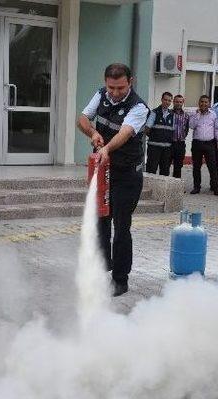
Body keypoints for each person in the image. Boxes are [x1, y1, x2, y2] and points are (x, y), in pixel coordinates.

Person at [77, 63, 149, 297]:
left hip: (127, 174)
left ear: (131, 81)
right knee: (100, 222)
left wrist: (106, 148)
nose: (115, 93)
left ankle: (120, 279)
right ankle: (101, 269)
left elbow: (125, 133)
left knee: (121, 226)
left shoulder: (139, 107)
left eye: (120, 87)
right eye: (111, 87)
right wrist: (93, 133)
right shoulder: (100, 95)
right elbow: (83, 119)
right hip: (104, 171)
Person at [189, 95, 218, 196]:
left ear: (209, 104)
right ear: (199, 103)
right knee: (196, 166)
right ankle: (196, 187)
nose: (204, 104)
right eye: (202, 102)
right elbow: (191, 126)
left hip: (210, 143)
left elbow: (216, 128)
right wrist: (198, 115)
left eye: (206, 102)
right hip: (197, 143)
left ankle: (215, 188)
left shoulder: (213, 115)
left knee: (212, 166)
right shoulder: (194, 114)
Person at [145, 92, 173, 176]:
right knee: (151, 169)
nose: (167, 102)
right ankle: (149, 188)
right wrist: (155, 137)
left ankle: (162, 189)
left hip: (167, 148)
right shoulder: (154, 112)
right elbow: (147, 129)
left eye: (169, 100)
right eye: (165, 100)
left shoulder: (172, 114)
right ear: (161, 100)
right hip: (154, 147)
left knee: (165, 171)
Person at [171, 94, 189, 178]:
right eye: (177, 102)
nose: (178, 103)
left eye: (180, 102)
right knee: (166, 165)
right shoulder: (169, 113)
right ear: (173, 102)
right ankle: (166, 187)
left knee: (178, 166)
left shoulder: (186, 116)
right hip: (170, 143)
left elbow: (186, 129)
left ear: (183, 103)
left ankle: (176, 187)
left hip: (180, 144)